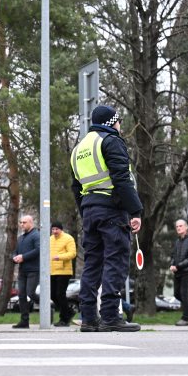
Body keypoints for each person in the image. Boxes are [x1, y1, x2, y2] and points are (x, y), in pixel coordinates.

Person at [69, 105, 143, 332]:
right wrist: (135, 211)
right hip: (111, 210)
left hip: (90, 211)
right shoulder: (110, 141)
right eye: (118, 121)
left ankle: (89, 317)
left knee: (92, 263)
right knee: (115, 260)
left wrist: (86, 211)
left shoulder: (79, 148)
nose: (121, 125)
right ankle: (111, 315)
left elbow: (75, 186)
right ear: (111, 122)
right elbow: (122, 179)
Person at [10, 214, 41, 328]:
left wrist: (23, 257)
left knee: (30, 293)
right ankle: (24, 321)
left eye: (24, 222)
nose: (22, 224)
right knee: (21, 295)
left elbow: (38, 250)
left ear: (31, 223)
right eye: (21, 222)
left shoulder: (36, 235)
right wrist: (15, 257)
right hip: (22, 270)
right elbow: (15, 251)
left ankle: (47, 308)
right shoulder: (21, 238)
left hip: (33, 269)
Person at [48, 222, 77, 327]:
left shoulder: (68, 238)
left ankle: (64, 319)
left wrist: (59, 257)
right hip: (52, 271)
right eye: (53, 229)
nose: (55, 231)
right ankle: (68, 311)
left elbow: (73, 253)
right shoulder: (50, 239)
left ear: (61, 229)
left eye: (57, 229)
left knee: (60, 294)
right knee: (52, 294)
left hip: (64, 271)